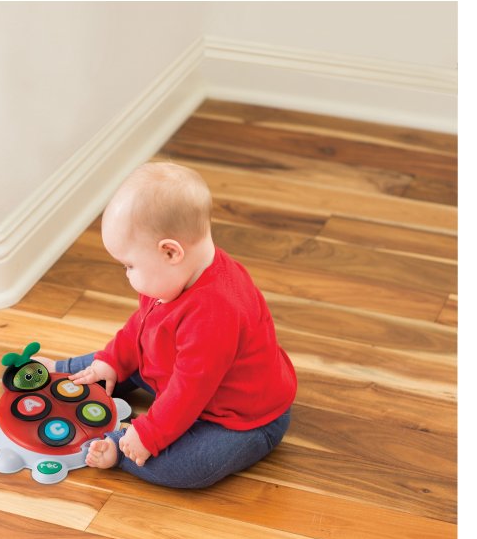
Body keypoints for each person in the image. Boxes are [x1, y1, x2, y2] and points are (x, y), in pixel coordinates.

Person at [37, 162, 296, 489]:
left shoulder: (215, 313)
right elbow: (140, 328)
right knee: (124, 360)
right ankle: (65, 372)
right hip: (179, 375)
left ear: (171, 252)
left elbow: (189, 391)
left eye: (130, 265)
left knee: (193, 466)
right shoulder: (176, 275)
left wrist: (147, 435)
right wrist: (113, 360)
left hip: (240, 419)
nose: (127, 275)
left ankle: (119, 449)